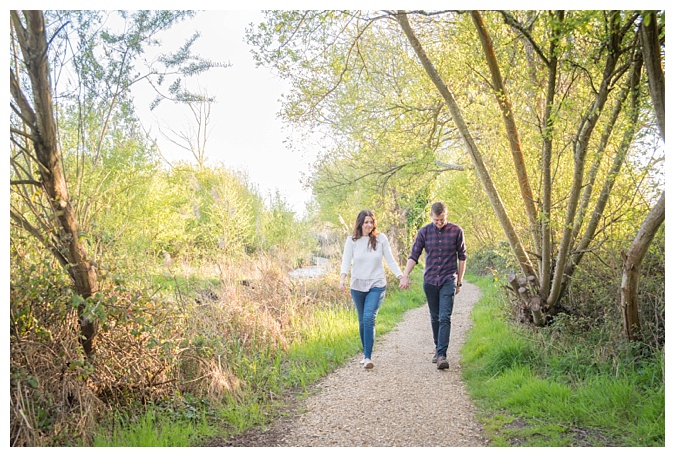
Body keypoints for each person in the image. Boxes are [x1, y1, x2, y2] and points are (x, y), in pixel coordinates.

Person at [399, 202, 466, 370]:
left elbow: (462, 257)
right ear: (431, 216)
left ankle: (442, 354)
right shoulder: (424, 232)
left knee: (445, 317)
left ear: (446, 215)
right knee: (435, 316)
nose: (439, 222)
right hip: (430, 281)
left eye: (442, 219)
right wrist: (405, 275)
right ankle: (438, 348)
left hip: (448, 279)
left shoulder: (457, 231)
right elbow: (414, 255)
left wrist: (459, 282)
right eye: (436, 220)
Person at [340, 209, 403, 369]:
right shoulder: (352, 240)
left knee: (369, 317)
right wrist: (342, 278)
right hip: (357, 285)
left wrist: (400, 276)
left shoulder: (381, 239)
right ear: (360, 223)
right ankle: (365, 354)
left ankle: (368, 357)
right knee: (362, 321)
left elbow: (390, 260)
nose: (369, 225)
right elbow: (346, 261)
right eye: (366, 222)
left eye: (371, 222)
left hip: (377, 284)